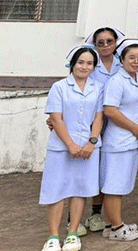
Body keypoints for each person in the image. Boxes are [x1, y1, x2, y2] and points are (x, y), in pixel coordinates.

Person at [39, 47, 103, 251]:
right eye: (80, 62)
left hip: (88, 150)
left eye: (89, 63)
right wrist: (71, 145)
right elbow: (56, 119)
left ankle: (73, 233)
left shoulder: (98, 88)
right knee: (56, 190)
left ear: (94, 67)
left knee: (79, 189)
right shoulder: (59, 87)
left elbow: (99, 117)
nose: (84, 67)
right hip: (61, 148)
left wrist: (91, 142)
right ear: (73, 64)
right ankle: (53, 236)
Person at [100, 39, 138, 242]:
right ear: (122, 59)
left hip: (132, 141)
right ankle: (118, 228)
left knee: (122, 184)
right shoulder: (116, 81)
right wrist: (133, 127)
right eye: (131, 58)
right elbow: (110, 110)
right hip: (118, 141)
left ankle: (110, 225)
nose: (136, 61)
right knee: (114, 185)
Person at [84, 27, 124, 233]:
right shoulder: (88, 63)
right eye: (101, 43)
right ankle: (74, 218)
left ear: (116, 43)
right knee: (87, 169)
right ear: (95, 45)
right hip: (90, 122)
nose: (106, 46)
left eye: (110, 41)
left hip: (117, 123)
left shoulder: (122, 64)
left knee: (106, 170)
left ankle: (97, 213)